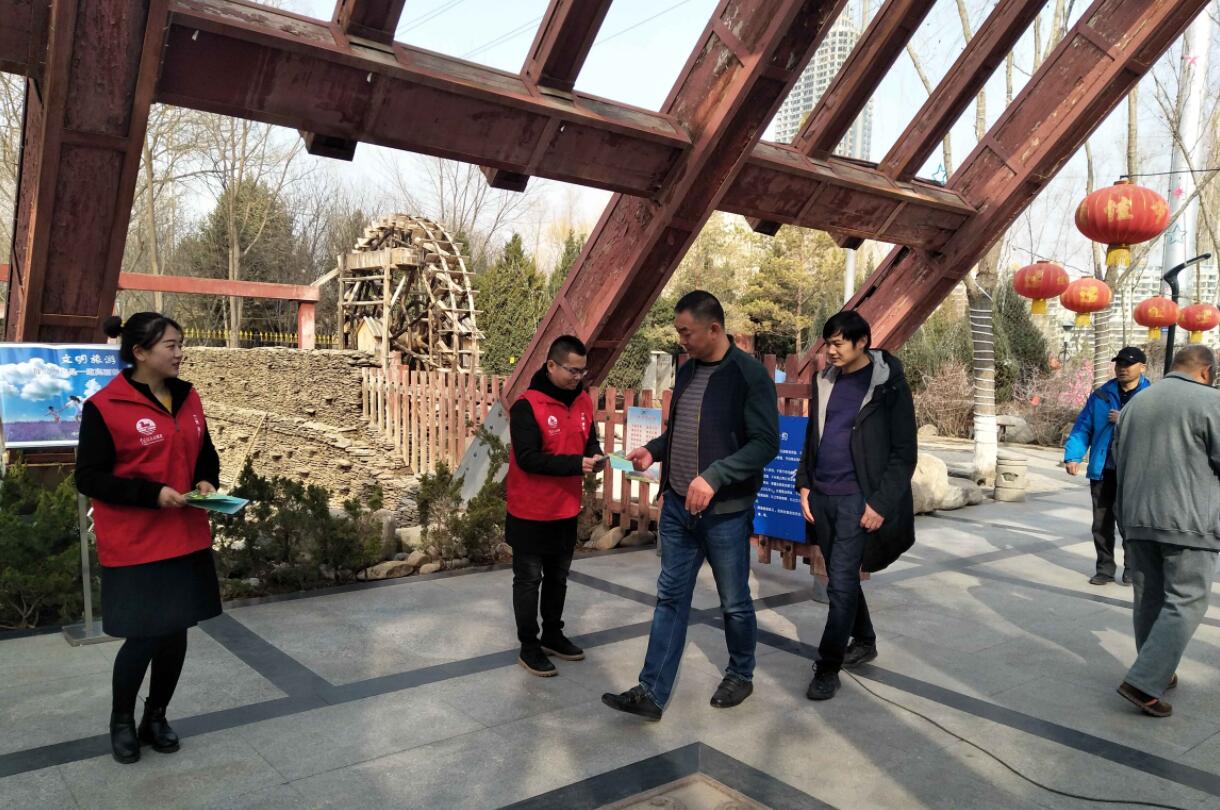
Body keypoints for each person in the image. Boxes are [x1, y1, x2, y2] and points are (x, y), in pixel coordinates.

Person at [602, 290, 779, 721]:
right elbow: (681, 429)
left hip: (725, 514)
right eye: (679, 332)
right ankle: (651, 691)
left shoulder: (748, 375)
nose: (681, 340)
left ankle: (741, 673)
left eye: (687, 332)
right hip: (679, 508)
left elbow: (765, 443)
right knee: (670, 598)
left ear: (714, 329)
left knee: (734, 601)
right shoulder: (688, 370)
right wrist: (654, 450)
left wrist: (716, 476)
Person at [74, 313, 222, 764]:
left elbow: (205, 451)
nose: (180, 353)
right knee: (143, 636)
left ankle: (156, 716)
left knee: (175, 632)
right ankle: (121, 721)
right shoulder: (105, 407)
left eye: (180, 344)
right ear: (139, 352)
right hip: (137, 542)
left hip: (186, 535)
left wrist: (207, 480)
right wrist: (151, 494)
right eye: (170, 346)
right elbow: (89, 477)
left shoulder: (188, 396)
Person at [796, 311, 916, 701]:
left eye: (838, 343)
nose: (830, 351)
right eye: (827, 344)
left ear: (862, 341)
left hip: (857, 497)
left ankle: (827, 667)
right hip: (823, 495)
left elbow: (904, 452)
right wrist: (804, 484)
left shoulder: (888, 385)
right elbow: (813, 436)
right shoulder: (824, 381)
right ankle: (864, 639)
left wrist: (880, 503)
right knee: (840, 576)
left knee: (841, 584)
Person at [1111, 345, 1220, 718]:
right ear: (1205, 371)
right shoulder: (1211, 402)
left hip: (1136, 518)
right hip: (1189, 521)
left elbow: (1117, 461)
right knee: (1187, 599)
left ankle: (1156, 668)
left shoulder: (1135, 405)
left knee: (1150, 599)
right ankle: (1144, 682)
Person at [506, 335, 604, 677]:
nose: (578, 377)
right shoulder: (527, 406)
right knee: (529, 579)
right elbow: (528, 458)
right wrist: (576, 464)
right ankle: (528, 646)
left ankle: (552, 634)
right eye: (572, 370)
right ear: (551, 365)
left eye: (582, 371)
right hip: (529, 511)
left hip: (566, 508)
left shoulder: (584, 402)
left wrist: (595, 456)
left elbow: (590, 440)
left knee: (558, 577)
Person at [1064, 346, 1150, 585]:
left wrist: (1124, 418)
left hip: (1135, 472)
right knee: (1101, 524)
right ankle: (1104, 568)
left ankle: (1132, 567)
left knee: (1130, 522)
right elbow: (1083, 427)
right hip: (1103, 469)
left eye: (1128, 364)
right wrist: (1073, 456)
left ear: (1143, 367)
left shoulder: (1151, 396)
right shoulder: (1101, 395)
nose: (1122, 369)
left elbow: (1158, 429)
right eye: (1119, 364)